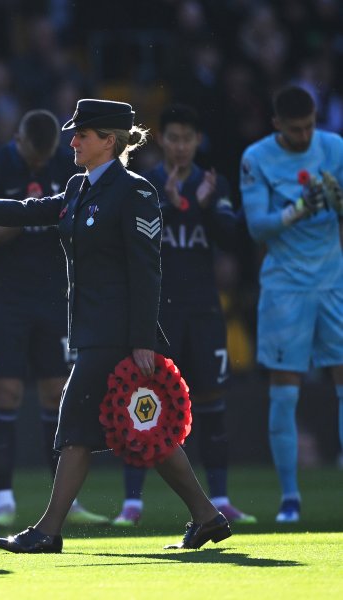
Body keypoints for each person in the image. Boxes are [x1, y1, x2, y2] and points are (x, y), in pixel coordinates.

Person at [0, 98, 231, 552]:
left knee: (75, 428)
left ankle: (48, 531)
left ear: (109, 141)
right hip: (92, 332)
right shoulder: (77, 187)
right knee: (147, 431)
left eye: (82, 135)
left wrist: (144, 339)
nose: (72, 141)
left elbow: (148, 270)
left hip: (118, 337)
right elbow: (29, 211)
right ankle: (207, 516)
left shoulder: (137, 192)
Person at [112, 104, 256, 526]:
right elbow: (134, 242)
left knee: (211, 403)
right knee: (142, 400)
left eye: (186, 139)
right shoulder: (146, 186)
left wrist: (206, 207)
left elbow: (232, 239)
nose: (179, 146)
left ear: (196, 142)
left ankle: (223, 498)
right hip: (157, 311)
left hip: (204, 310)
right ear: (163, 140)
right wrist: (171, 206)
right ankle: (132, 503)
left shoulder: (213, 184)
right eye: (172, 138)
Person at [0, 109, 108, 528]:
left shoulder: (64, 167)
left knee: (56, 394)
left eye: (44, 156)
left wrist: (46, 215)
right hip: (6, 298)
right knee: (7, 393)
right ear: (19, 140)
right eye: (33, 154)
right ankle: (3, 501)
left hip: (53, 297)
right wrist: (30, 212)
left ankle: (66, 501)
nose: (38, 163)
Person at [239, 84, 343, 524]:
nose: (305, 136)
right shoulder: (256, 158)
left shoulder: (335, 147)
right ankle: (290, 498)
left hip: (333, 283)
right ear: (277, 124)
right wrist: (299, 209)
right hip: (284, 289)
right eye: (296, 129)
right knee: (284, 393)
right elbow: (257, 227)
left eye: (311, 126)